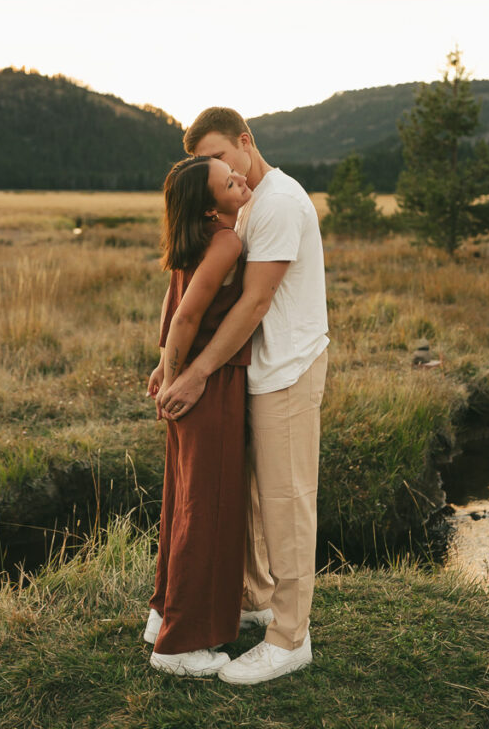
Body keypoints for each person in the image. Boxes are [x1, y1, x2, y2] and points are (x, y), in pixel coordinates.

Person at [155, 107, 329, 686]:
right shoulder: (243, 205)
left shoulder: (277, 202)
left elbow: (254, 303)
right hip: (251, 372)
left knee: (287, 501)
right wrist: (171, 362)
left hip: (285, 369)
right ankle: (256, 601)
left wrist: (195, 371)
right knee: (252, 500)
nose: (225, 172)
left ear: (245, 142)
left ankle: (289, 638)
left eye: (224, 158)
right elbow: (187, 291)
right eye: (212, 168)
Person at [145, 154, 253, 677]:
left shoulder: (192, 245)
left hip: (187, 383)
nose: (240, 178)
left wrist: (166, 367)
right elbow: (188, 314)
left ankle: (164, 611)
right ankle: (179, 647)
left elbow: (176, 310)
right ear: (212, 210)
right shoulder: (226, 241)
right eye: (228, 181)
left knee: (184, 502)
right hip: (209, 387)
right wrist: (177, 373)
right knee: (205, 511)